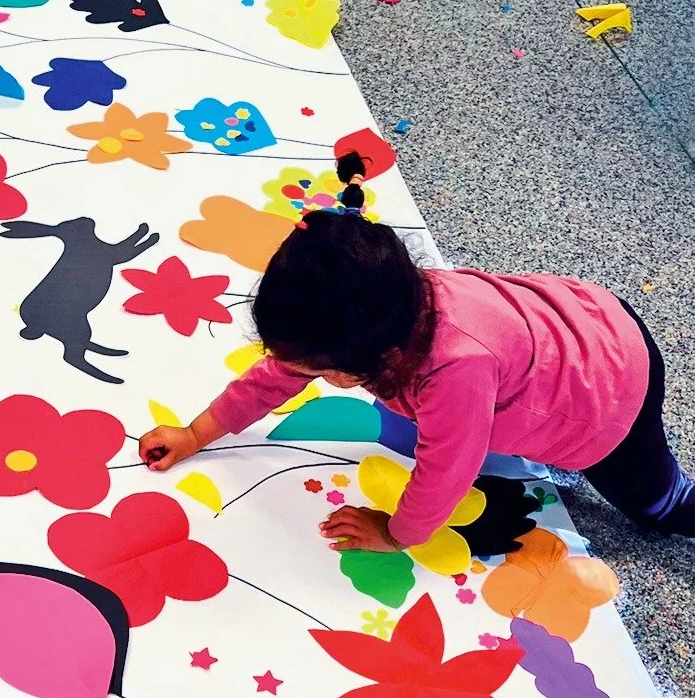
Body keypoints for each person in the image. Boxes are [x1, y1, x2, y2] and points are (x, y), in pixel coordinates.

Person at [138, 151, 695, 553]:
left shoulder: (454, 372)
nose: (290, 374)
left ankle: (676, 503)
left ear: (353, 364)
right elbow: (271, 378)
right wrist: (196, 434)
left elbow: (447, 468)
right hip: (589, 318)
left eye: (311, 370)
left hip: (611, 397)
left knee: (657, 507)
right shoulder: (385, 298)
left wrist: (396, 533)